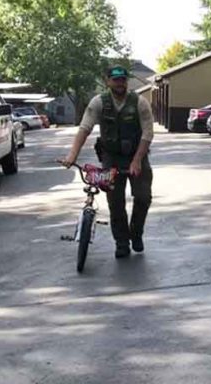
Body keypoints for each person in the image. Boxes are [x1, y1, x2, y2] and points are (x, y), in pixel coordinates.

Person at [62, 65, 154, 259]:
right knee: (115, 202)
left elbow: (148, 133)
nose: (120, 83)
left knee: (143, 197)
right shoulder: (98, 103)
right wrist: (72, 156)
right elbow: (84, 128)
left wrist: (137, 160)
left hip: (137, 154)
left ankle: (136, 234)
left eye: (123, 79)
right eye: (116, 79)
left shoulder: (139, 102)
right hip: (111, 157)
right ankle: (121, 243)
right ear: (108, 81)